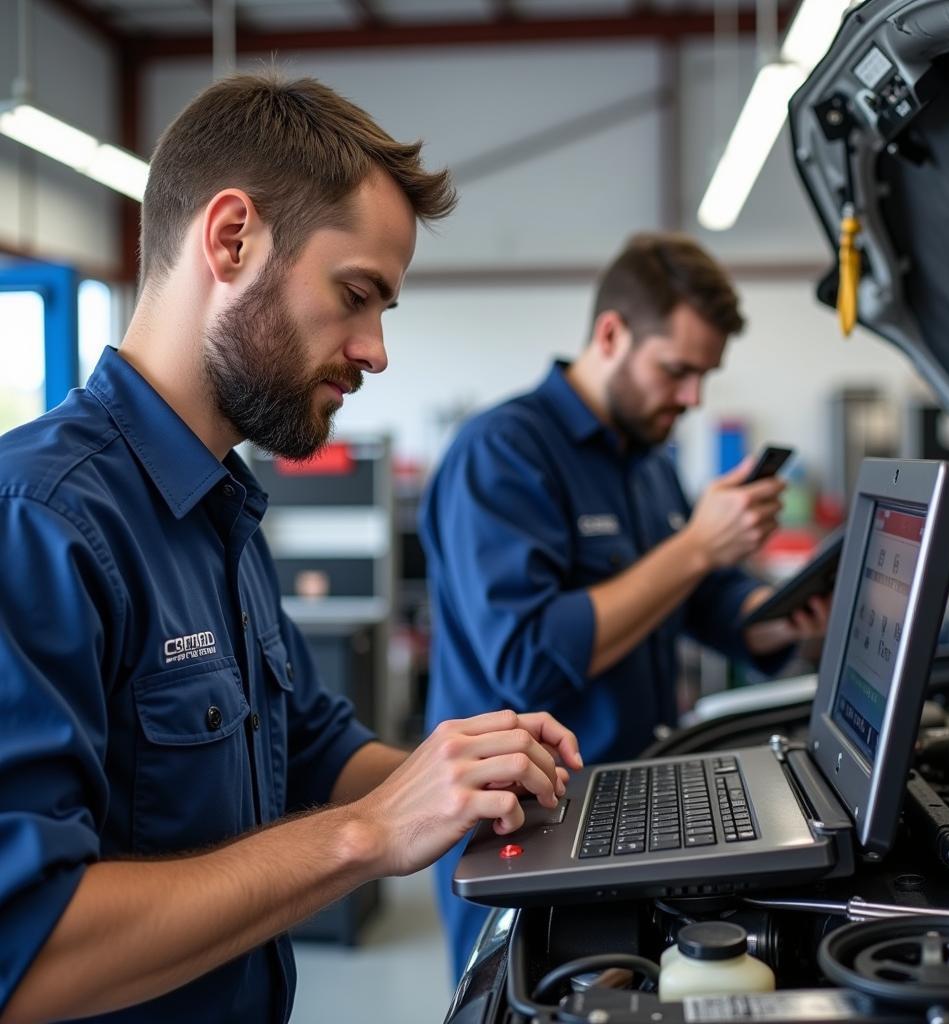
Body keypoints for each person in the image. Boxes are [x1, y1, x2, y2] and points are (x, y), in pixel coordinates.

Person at [0, 73, 583, 1024]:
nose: (376, 349)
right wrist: (367, 836)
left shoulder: (218, 503)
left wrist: (468, 772)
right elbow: (23, 949)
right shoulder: (38, 523)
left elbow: (307, 746)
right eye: (358, 295)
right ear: (233, 240)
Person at [420, 232, 830, 979]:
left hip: (634, 804)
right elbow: (528, 654)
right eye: (676, 371)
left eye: (704, 376)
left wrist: (787, 615)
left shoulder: (649, 464)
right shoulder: (502, 452)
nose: (692, 398)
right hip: (530, 825)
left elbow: (701, 601)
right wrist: (698, 545)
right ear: (611, 334)